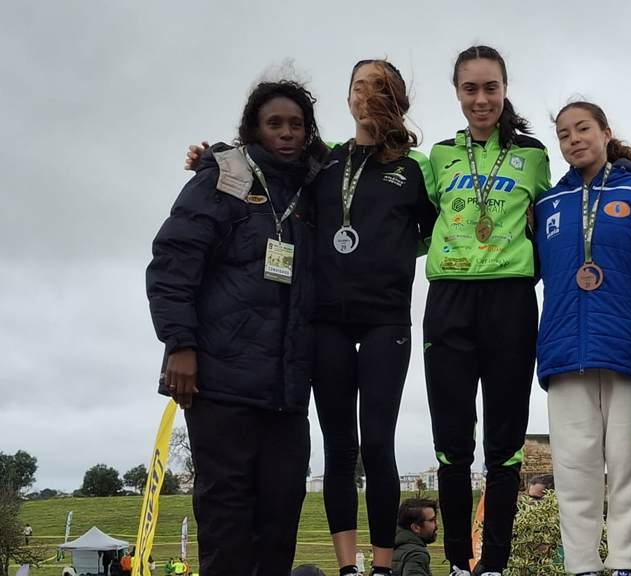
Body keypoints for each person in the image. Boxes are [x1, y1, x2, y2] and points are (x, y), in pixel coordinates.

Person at [147, 77, 326, 576]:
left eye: (297, 125)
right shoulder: (222, 180)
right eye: (275, 124)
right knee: (226, 522)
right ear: (253, 130)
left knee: (281, 518)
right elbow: (171, 263)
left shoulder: (314, 191)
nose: (287, 134)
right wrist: (179, 344)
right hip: (220, 384)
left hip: (287, 394)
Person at [535, 101, 631, 576]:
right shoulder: (547, 205)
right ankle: (580, 567)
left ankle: (628, 564)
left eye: (583, 129)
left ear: (605, 132)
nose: (574, 139)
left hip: (630, 349)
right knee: (574, 468)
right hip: (564, 350)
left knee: (626, 463)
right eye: (563, 134)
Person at [422, 45, 551, 576]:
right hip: (449, 299)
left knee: (505, 443)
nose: (481, 99)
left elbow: (556, 212)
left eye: (491, 87)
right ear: (456, 93)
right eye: (470, 89)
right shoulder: (437, 156)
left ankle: (493, 564)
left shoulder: (534, 155)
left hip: (510, 301)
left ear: (504, 89)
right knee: (452, 443)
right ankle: (457, 562)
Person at [308, 59, 436, 576]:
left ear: (397, 99)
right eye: (358, 86)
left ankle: (382, 567)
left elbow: (443, 227)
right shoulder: (324, 163)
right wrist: (211, 156)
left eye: (379, 88)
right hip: (326, 320)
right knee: (339, 447)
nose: (366, 95)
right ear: (346, 98)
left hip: (386, 318)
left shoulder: (417, 165)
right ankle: (347, 569)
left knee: (377, 443)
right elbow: (265, 162)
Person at [393, 497, 440, 576]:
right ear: (415, 528)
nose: (437, 524)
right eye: (432, 520)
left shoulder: (387, 550)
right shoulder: (416, 554)